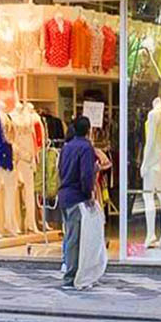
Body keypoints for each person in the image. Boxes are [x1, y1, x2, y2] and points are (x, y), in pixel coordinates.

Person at [57, 116, 99, 289]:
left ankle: (70, 269)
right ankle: (71, 275)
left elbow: (60, 169)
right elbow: (85, 174)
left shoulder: (66, 147)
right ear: (88, 129)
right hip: (77, 197)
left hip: (65, 195)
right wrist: (88, 193)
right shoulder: (86, 148)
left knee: (69, 236)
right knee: (75, 238)